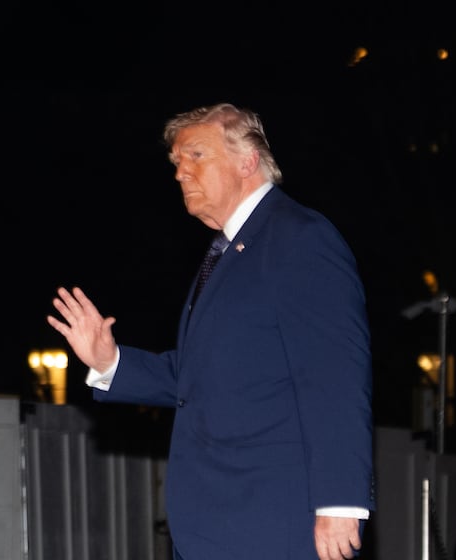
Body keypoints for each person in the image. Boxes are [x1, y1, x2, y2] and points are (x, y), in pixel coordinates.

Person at [46, 102, 375, 560]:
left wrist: (340, 502)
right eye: (176, 163)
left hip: (275, 523)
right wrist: (109, 362)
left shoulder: (299, 238)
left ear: (248, 160)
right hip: (216, 524)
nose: (181, 172)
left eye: (195, 156)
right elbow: (200, 376)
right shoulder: (226, 252)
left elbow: (334, 375)